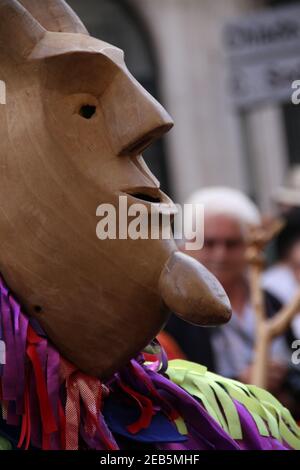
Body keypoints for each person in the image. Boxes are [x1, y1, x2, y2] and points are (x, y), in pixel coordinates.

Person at [166, 187, 294, 397]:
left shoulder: (272, 302)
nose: (221, 254)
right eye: (209, 243)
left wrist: (286, 380)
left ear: (252, 246)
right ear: (184, 246)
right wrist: (239, 383)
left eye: (232, 243)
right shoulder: (172, 315)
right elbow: (174, 388)